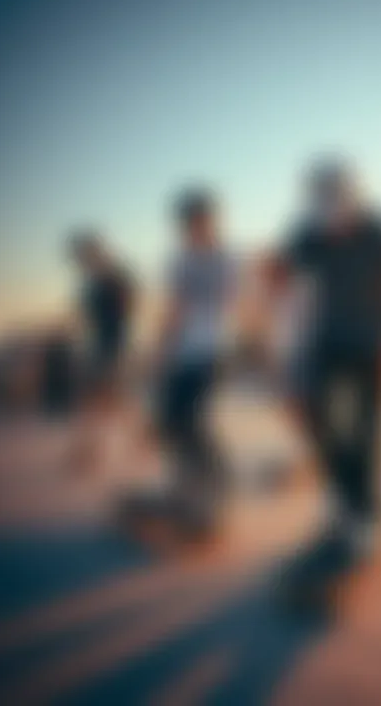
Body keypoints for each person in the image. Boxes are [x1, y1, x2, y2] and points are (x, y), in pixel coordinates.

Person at [267, 157, 381, 593]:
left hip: (372, 345)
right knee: (324, 428)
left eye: (338, 216)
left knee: (366, 434)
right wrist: (274, 275)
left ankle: (366, 518)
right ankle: (346, 508)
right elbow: (281, 275)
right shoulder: (306, 230)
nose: (331, 226)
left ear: (353, 200)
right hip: (325, 346)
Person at [135, 187, 237, 536]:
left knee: (192, 422)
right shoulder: (179, 261)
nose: (194, 229)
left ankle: (214, 491)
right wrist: (159, 355)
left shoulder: (228, 258)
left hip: (212, 352)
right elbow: (172, 312)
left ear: (212, 221)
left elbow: (242, 305)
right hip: (180, 354)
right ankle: (184, 489)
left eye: (200, 222)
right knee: (170, 423)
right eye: (188, 224)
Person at [67, 230, 136, 472]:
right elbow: (86, 318)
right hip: (99, 346)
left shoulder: (114, 278)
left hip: (112, 346)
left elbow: (126, 312)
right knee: (110, 402)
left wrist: (119, 353)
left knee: (100, 401)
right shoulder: (94, 281)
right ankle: (138, 443)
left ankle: (89, 452)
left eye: (82, 255)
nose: (80, 261)